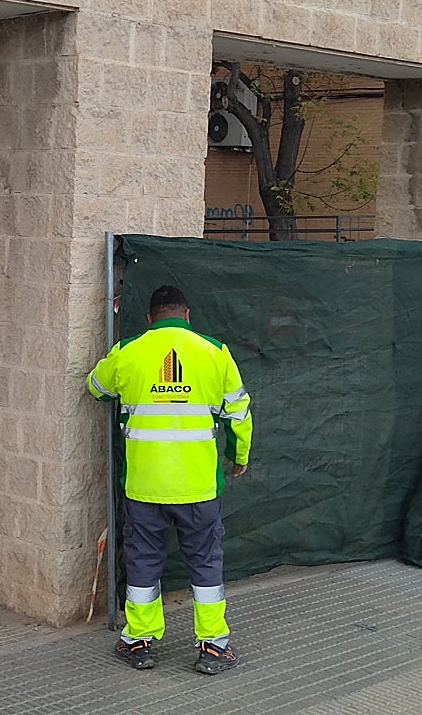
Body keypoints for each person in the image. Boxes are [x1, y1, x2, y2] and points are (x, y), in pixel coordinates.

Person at [87, 284, 253, 675]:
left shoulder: (128, 349)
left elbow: (96, 387)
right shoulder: (215, 352)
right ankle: (212, 646)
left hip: (144, 485)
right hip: (199, 485)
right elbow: (240, 413)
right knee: (206, 563)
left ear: (150, 319)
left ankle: (139, 642)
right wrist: (239, 456)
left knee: (143, 560)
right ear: (188, 315)